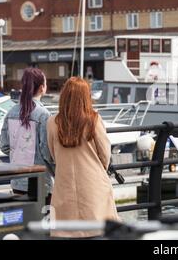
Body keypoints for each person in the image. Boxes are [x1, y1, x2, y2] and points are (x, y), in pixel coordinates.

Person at [46, 77, 120, 238]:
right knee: (97, 231)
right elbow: (105, 153)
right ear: (86, 97)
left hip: (64, 184)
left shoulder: (52, 122)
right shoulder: (94, 120)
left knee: (66, 231)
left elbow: (53, 153)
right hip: (93, 184)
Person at [0, 68, 54, 205]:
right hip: (40, 182)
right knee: (43, 223)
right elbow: (46, 152)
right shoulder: (43, 114)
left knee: (22, 222)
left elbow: (4, 146)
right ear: (42, 88)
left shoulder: (11, 112)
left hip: (17, 181)